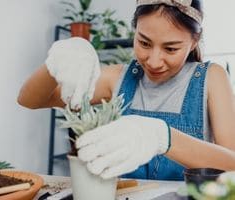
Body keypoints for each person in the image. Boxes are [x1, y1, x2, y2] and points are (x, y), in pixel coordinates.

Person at [18, 0, 235, 180]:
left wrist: (163, 138)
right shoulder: (118, 77)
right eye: (144, 43)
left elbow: (232, 165)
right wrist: (56, 62)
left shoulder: (211, 78)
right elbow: (29, 100)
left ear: (194, 41)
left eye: (171, 49)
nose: (154, 61)